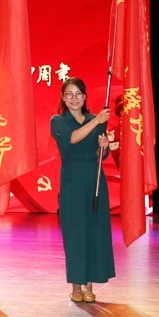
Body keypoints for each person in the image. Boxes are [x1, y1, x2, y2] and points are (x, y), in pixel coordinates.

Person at [50, 77, 115, 303]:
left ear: (85, 97)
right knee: (75, 233)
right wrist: (97, 121)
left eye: (78, 94)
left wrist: (104, 147)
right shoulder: (58, 121)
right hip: (72, 182)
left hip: (95, 179)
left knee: (95, 232)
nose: (74, 98)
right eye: (69, 94)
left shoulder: (95, 119)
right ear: (63, 97)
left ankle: (89, 285)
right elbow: (72, 139)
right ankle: (76, 286)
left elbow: (100, 154)